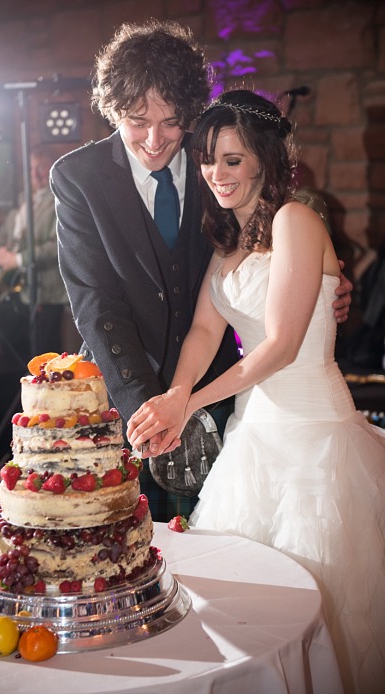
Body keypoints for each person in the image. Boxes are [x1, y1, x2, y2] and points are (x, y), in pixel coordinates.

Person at [127, 89, 385, 693]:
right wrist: (175, 391)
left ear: (265, 160)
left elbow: (281, 347)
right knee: (254, 608)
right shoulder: (228, 244)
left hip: (314, 438)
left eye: (234, 160)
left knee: (327, 606)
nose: (218, 174)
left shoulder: (297, 219)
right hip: (252, 439)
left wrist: (187, 403)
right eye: (210, 159)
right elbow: (202, 329)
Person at [49, 20, 352, 521]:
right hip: (127, 388)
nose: (154, 139)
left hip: (218, 393)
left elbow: (279, 236)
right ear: (112, 110)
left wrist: (326, 284)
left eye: (170, 121)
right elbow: (95, 302)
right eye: (136, 120)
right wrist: (151, 408)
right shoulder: (77, 178)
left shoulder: (212, 156)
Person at [0, 146, 75, 357]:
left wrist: (18, 259)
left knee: (45, 354)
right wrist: (0, 254)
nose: (34, 173)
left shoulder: (61, 199)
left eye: (41, 167)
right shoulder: (21, 201)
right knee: (13, 351)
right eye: (30, 168)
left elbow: (57, 245)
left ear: (52, 168)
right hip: (14, 291)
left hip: (45, 293)